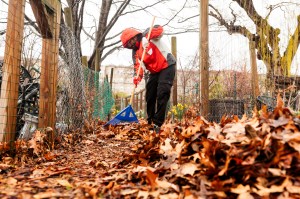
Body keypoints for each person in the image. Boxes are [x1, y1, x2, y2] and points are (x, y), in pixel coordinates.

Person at [120, 25, 176, 133]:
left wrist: (147, 37)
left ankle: (157, 124)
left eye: (130, 41)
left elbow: (159, 30)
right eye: (128, 44)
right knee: (150, 94)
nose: (131, 44)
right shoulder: (135, 52)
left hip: (167, 65)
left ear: (135, 36)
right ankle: (150, 121)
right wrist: (137, 77)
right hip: (155, 71)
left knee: (162, 93)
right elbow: (138, 67)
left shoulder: (147, 35)